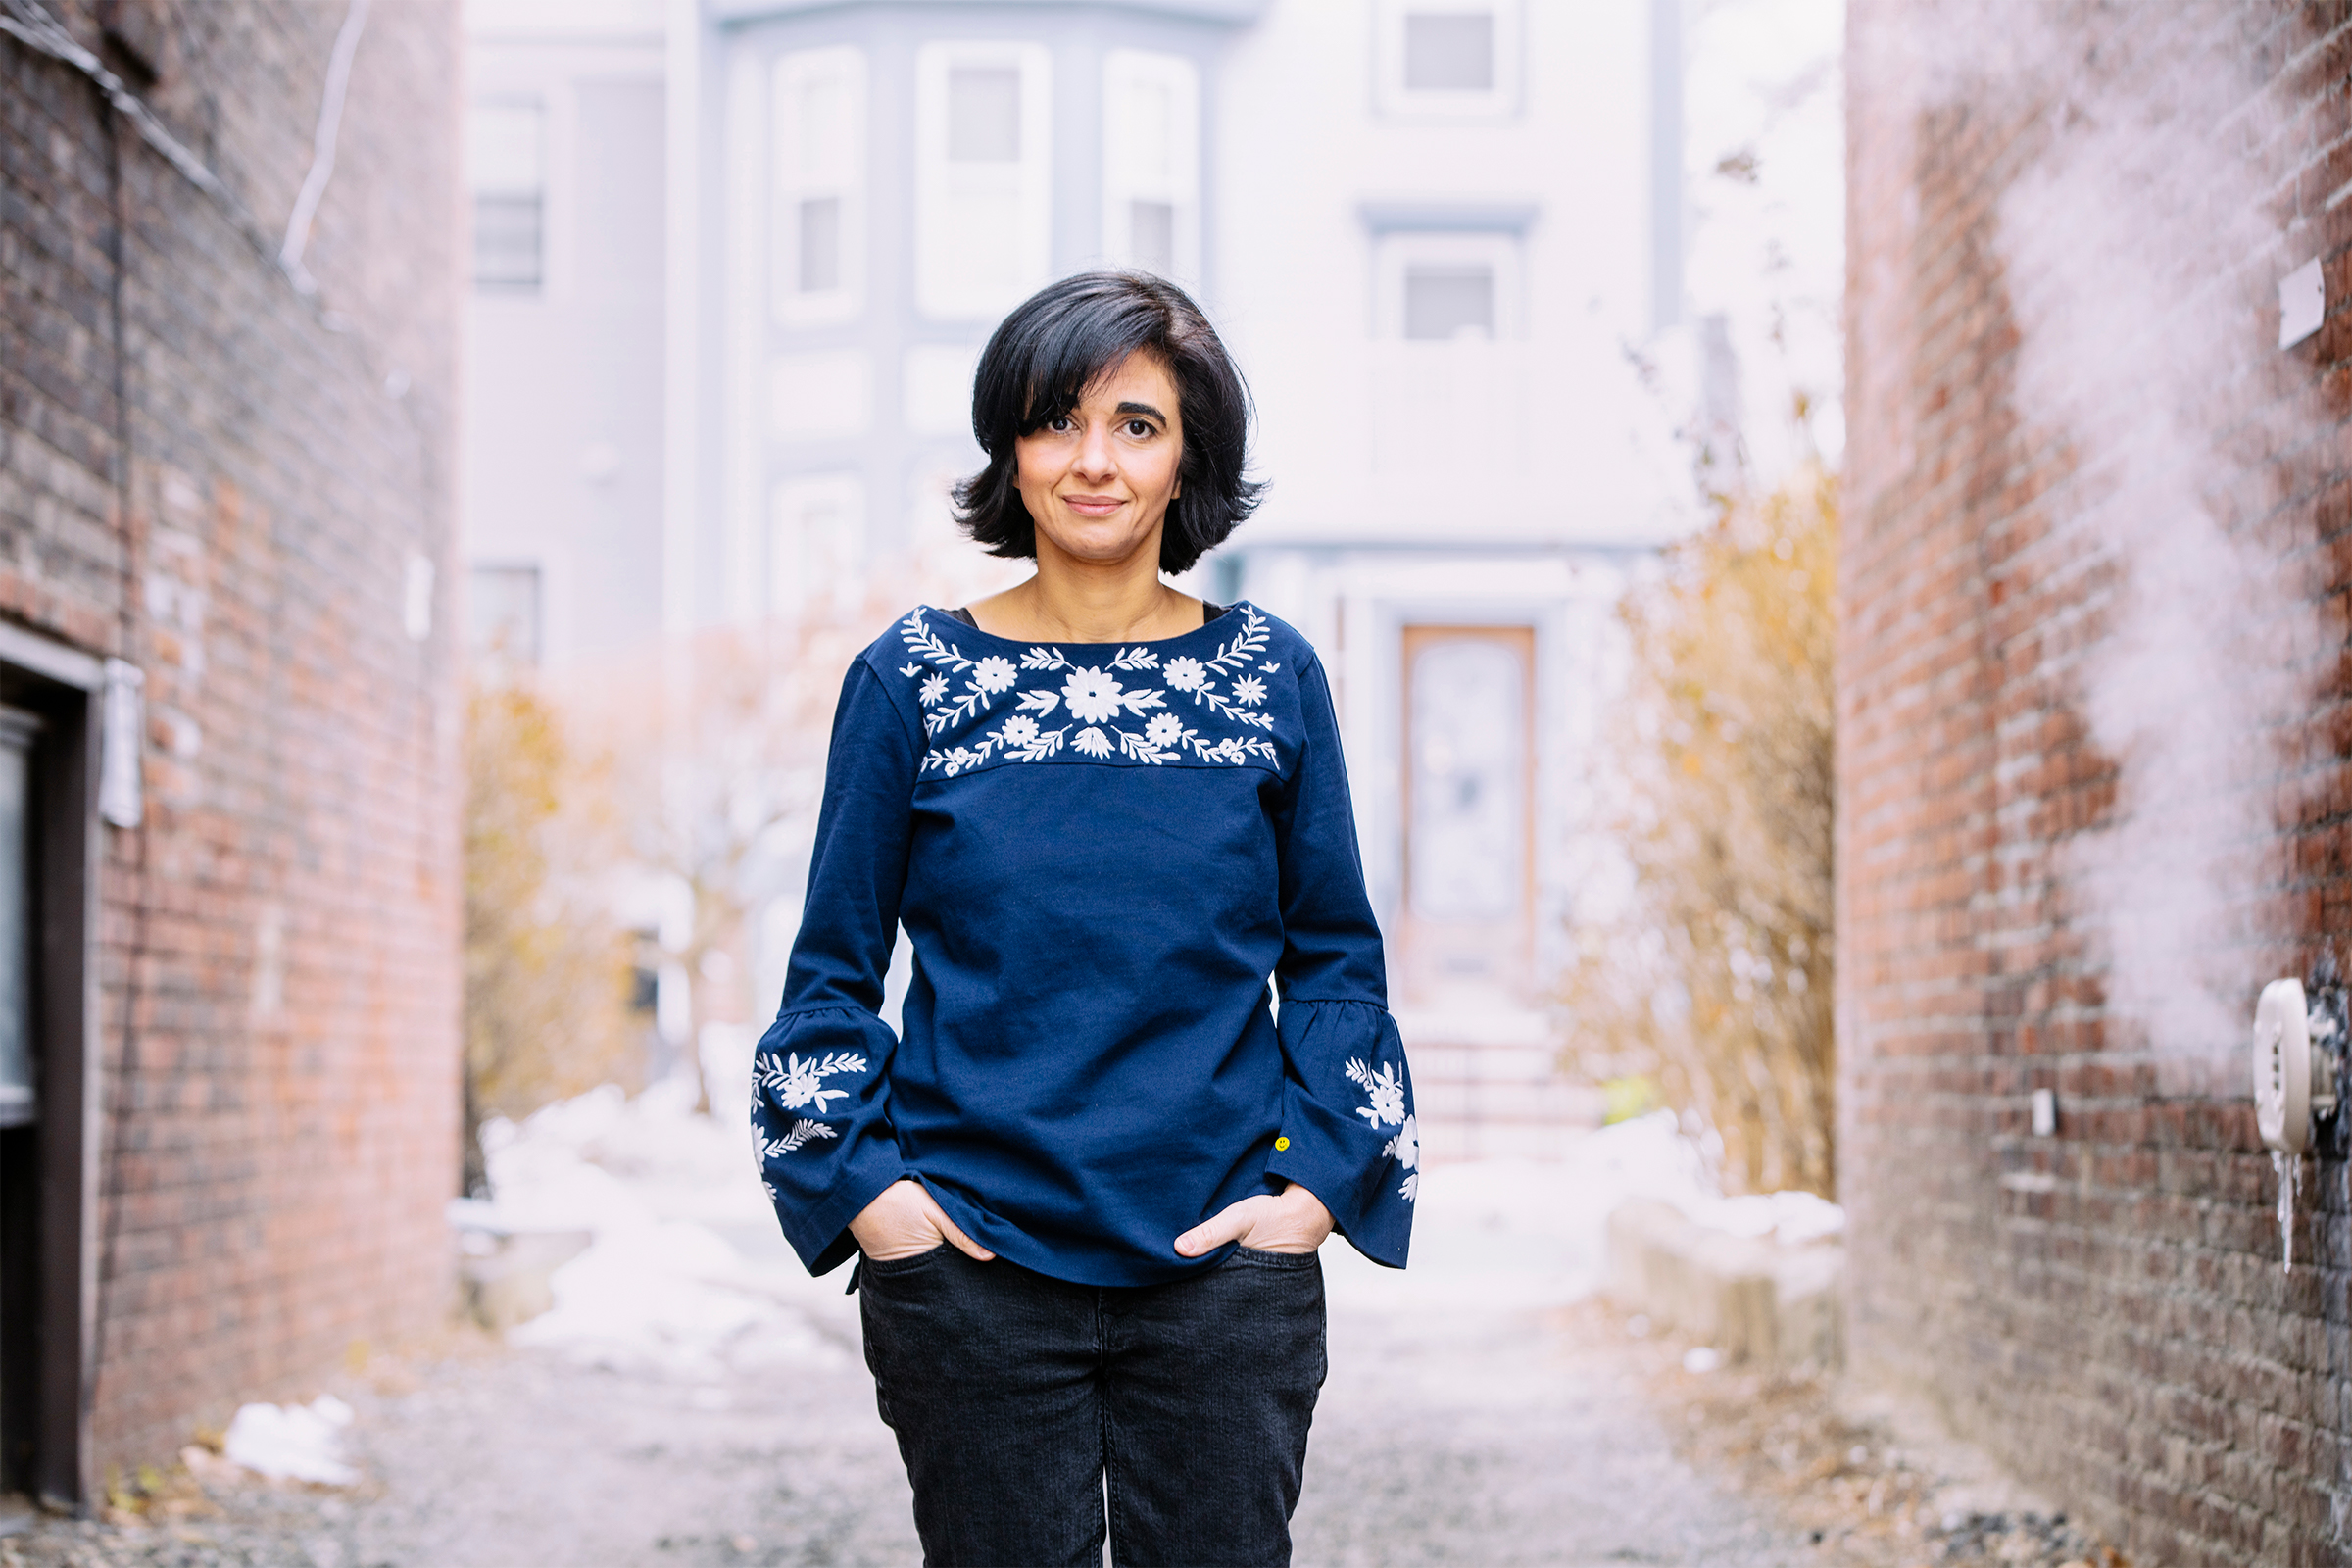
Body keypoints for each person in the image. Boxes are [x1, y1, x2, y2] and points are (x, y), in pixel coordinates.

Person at [752, 270, 1417, 1567]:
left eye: (1137, 425)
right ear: (1011, 448)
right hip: (971, 1276)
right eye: (1058, 421)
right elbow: (830, 975)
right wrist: (871, 1196)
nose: (1094, 461)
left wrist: (1316, 1192)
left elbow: (1336, 958)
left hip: (1225, 1276)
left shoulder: (1269, 677)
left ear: (1187, 457)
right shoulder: (913, 682)